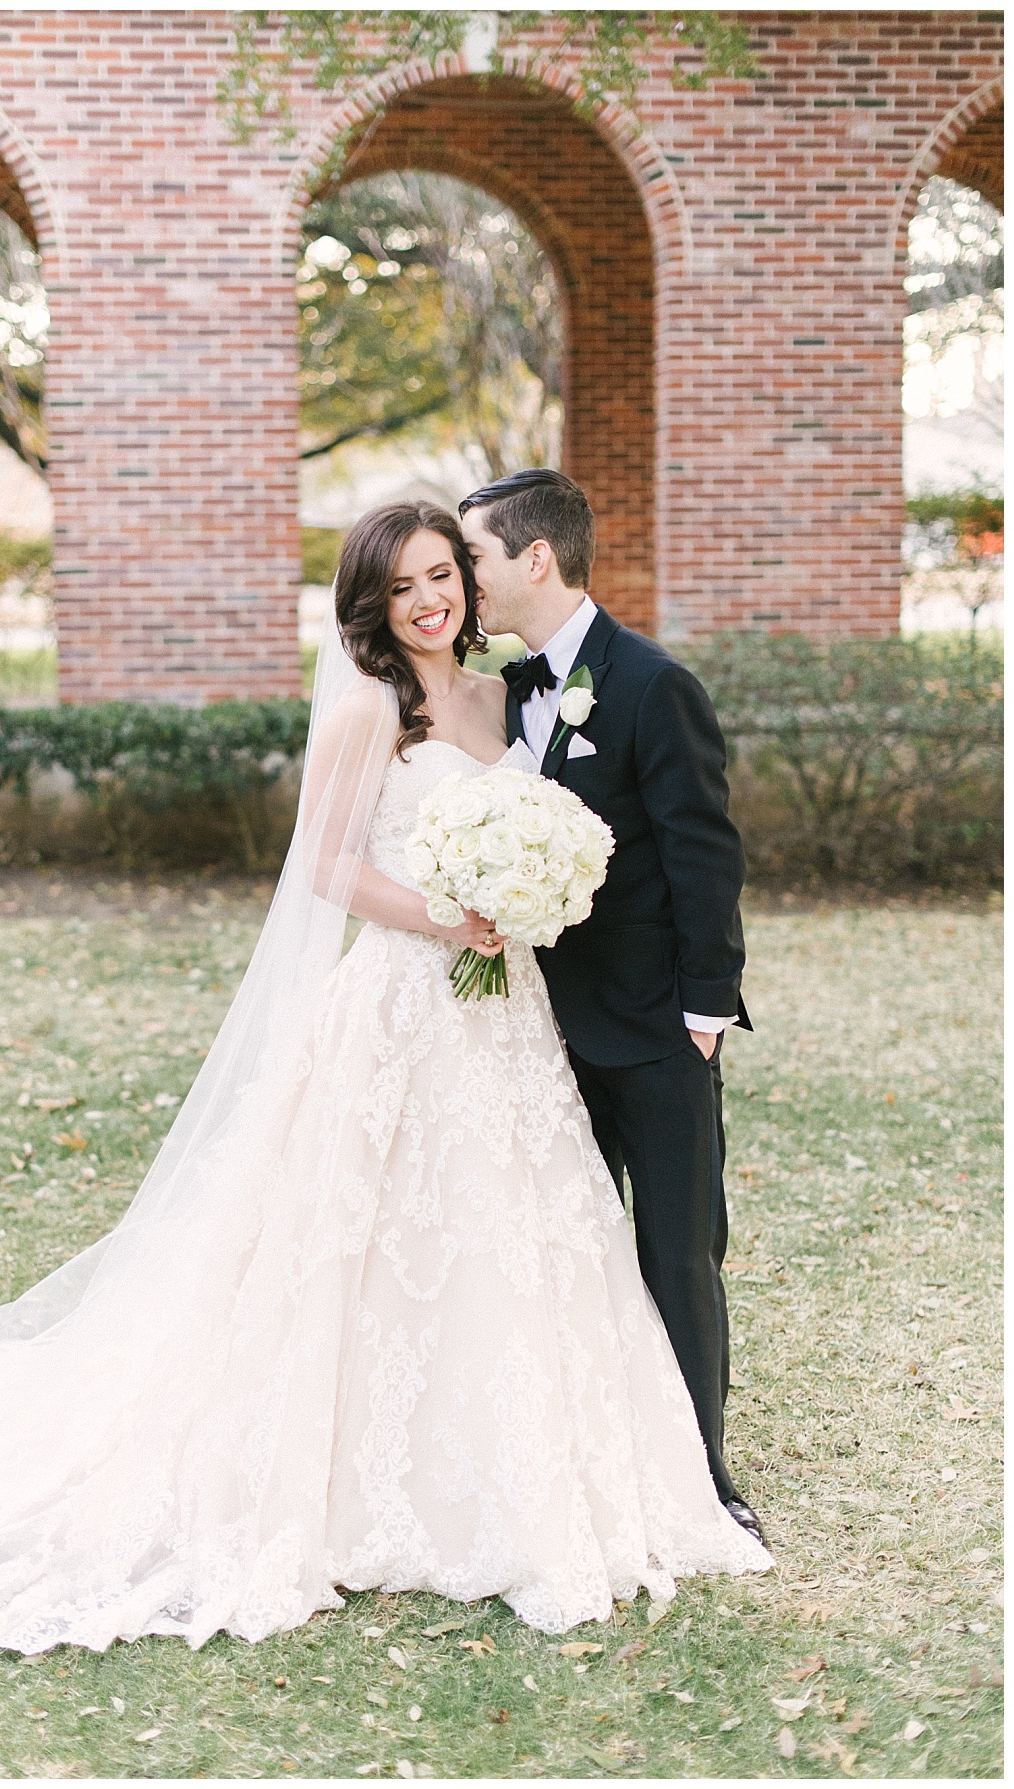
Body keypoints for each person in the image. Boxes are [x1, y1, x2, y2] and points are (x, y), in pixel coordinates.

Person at [0, 501, 768, 1658]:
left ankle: (555, 1455)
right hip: (403, 1000)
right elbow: (326, 866)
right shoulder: (369, 710)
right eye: (405, 585)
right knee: (370, 1239)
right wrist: (447, 916)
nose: (431, 598)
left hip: (510, 1017)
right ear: (370, 607)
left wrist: (530, 899)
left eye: (443, 575)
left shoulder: (507, 698)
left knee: (512, 1229)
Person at [459, 468, 763, 1544]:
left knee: (676, 1254)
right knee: (559, 1253)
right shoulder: (500, 687)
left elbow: (702, 852)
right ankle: (581, 1464)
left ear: (535, 558)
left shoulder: (649, 684)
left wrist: (705, 1009)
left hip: (653, 1032)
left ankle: (705, 1478)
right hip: (540, 1034)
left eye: (478, 559)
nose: (467, 579)